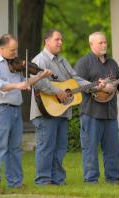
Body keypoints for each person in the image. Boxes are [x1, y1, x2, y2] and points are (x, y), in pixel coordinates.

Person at [30, 29, 105, 185]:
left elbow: (76, 79)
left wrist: (95, 86)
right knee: (46, 147)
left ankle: (58, 180)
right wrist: (57, 91)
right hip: (45, 111)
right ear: (47, 41)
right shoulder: (39, 60)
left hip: (62, 111)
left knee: (60, 148)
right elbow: (38, 82)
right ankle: (43, 181)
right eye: (57, 39)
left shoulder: (62, 60)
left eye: (61, 40)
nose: (60, 42)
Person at [0, 34, 52, 194]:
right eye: (12, 50)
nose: (15, 53)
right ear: (2, 48)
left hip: (14, 109)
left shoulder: (13, 63)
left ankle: (15, 182)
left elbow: (25, 84)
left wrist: (40, 76)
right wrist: (17, 85)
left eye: (16, 50)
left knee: (14, 147)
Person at [74, 32, 119, 184]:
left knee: (112, 150)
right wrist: (97, 87)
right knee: (90, 150)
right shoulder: (84, 62)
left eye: (105, 42)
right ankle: (91, 181)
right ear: (91, 44)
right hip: (91, 113)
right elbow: (77, 84)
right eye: (100, 43)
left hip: (110, 114)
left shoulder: (112, 63)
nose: (104, 45)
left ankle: (113, 180)